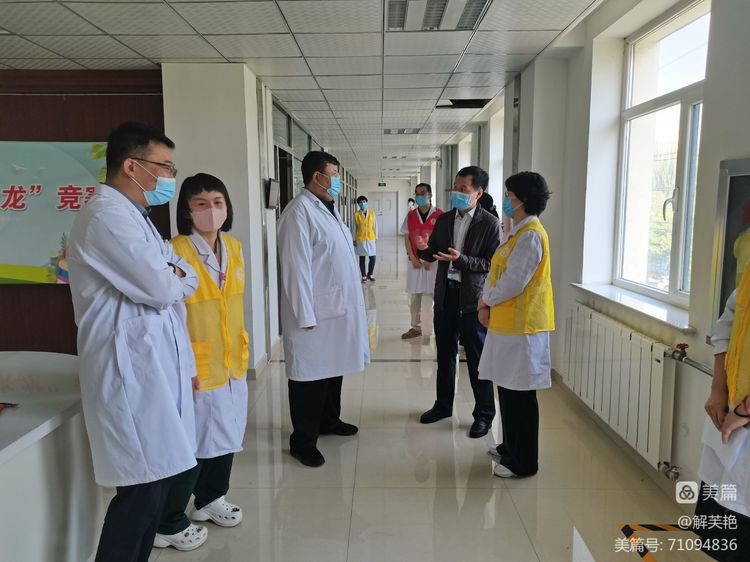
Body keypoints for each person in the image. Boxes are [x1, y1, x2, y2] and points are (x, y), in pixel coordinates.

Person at [67, 122, 198, 562]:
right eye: (165, 166)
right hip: (128, 373)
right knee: (140, 496)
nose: (170, 177)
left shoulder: (135, 216)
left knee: (152, 491)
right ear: (131, 166)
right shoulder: (105, 217)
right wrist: (171, 276)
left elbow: (186, 274)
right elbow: (162, 287)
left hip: (148, 368)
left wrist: (171, 275)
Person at [154, 174, 248, 550]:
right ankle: (169, 520)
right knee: (192, 443)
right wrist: (183, 366)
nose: (212, 210)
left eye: (218, 202)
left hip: (232, 358)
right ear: (187, 211)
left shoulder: (235, 247)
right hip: (196, 364)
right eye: (201, 204)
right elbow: (171, 316)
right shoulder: (173, 251)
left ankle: (210, 498)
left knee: (227, 432)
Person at [277, 151, 370, 467]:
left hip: (334, 310)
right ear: (317, 177)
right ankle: (303, 441)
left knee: (333, 370)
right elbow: (296, 269)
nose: (338, 181)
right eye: (334, 174)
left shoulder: (328, 209)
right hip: (313, 315)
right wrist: (305, 314)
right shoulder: (298, 213)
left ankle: (330, 420)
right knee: (309, 378)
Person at [478, 172, 554, 478]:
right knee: (507, 390)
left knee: (521, 395)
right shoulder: (516, 232)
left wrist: (485, 299)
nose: (506, 200)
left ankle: (523, 462)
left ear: (522, 200)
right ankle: (509, 447)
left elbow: (513, 282)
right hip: (507, 325)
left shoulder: (531, 235)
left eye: (509, 195)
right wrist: (487, 301)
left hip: (524, 329)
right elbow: (498, 272)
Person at [415, 166, 500, 438]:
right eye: (455, 187)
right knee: (445, 354)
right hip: (446, 296)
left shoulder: (489, 223)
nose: (457, 193)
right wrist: (423, 249)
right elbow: (434, 252)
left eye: (463, 189)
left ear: (478, 193)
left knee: (477, 360)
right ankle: (443, 406)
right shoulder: (444, 219)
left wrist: (461, 260)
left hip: (472, 299)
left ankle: (484, 415)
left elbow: (491, 263)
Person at [695, 267, 750, 560]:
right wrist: (718, 388)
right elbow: (728, 324)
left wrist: (745, 410)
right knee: (725, 537)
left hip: (741, 417)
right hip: (731, 414)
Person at [400, 182, 443, 339]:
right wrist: (412, 257)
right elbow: (406, 236)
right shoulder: (411, 215)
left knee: (435, 295)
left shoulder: (440, 215)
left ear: (430, 195)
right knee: (415, 296)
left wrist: (431, 259)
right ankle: (416, 328)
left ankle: (438, 327)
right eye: (417, 193)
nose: (419, 196)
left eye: (423, 193)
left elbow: (444, 240)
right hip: (415, 260)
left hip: (434, 262)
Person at [353, 195, 378, 282]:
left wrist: (376, 236)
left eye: (364, 202)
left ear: (366, 202)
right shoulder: (356, 214)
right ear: (358, 204)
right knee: (362, 257)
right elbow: (354, 227)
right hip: (361, 238)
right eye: (360, 202)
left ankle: (370, 274)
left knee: (373, 257)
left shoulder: (372, 213)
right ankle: (363, 275)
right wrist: (353, 239)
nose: (362, 203)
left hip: (371, 237)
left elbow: (375, 225)